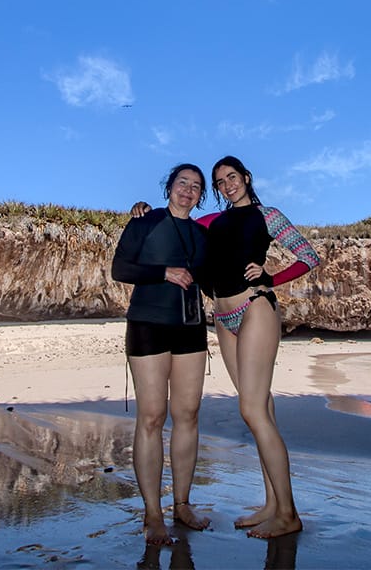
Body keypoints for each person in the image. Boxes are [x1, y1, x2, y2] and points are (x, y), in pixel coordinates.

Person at [131, 156, 320, 539]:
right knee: (261, 405)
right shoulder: (211, 222)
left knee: (252, 409)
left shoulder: (268, 215)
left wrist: (272, 276)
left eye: (232, 177)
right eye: (219, 182)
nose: (227, 184)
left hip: (254, 308)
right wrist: (143, 211)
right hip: (221, 318)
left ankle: (288, 513)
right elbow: (176, 219)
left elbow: (308, 256)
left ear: (246, 178)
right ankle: (271, 503)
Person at [111, 163, 212, 545]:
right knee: (152, 417)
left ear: (201, 196)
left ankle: (182, 504)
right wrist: (164, 273)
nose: (188, 190)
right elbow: (119, 268)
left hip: (190, 328)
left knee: (188, 415)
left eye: (196, 187)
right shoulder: (144, 221)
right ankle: (153, 514)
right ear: (168, 187)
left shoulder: (202, 234)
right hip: (148, 324)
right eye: (182, 183)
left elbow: (214, 277)